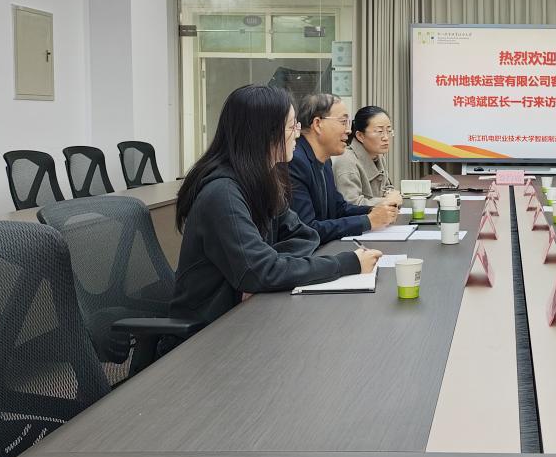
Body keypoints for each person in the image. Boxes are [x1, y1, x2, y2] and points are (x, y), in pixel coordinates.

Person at [168, 85, 380, 334]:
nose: (298, 134)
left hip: (247, 314)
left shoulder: (264, 180)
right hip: (209, 330)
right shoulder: (223, 193)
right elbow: (260, 271)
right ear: (264, 134)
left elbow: (305, 235)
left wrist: (269, 267)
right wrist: (346, 263)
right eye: (291, 127)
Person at [289, 93, 399, 244]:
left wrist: (375, 211)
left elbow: (339, 208)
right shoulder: (295, 161)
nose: (348, 130)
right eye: (343, 122)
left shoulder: (324, 160)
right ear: (318, 124)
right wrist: (367, 221)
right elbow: (307, 229)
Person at [333, 105, 404, 208]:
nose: (386, 137)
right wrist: (387, 201)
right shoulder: (346, 161)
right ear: (360, 136)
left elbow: (387, 187)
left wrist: (392, 194)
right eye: (379, 131)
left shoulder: (378, 156)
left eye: (389, 131)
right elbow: (351, 205)